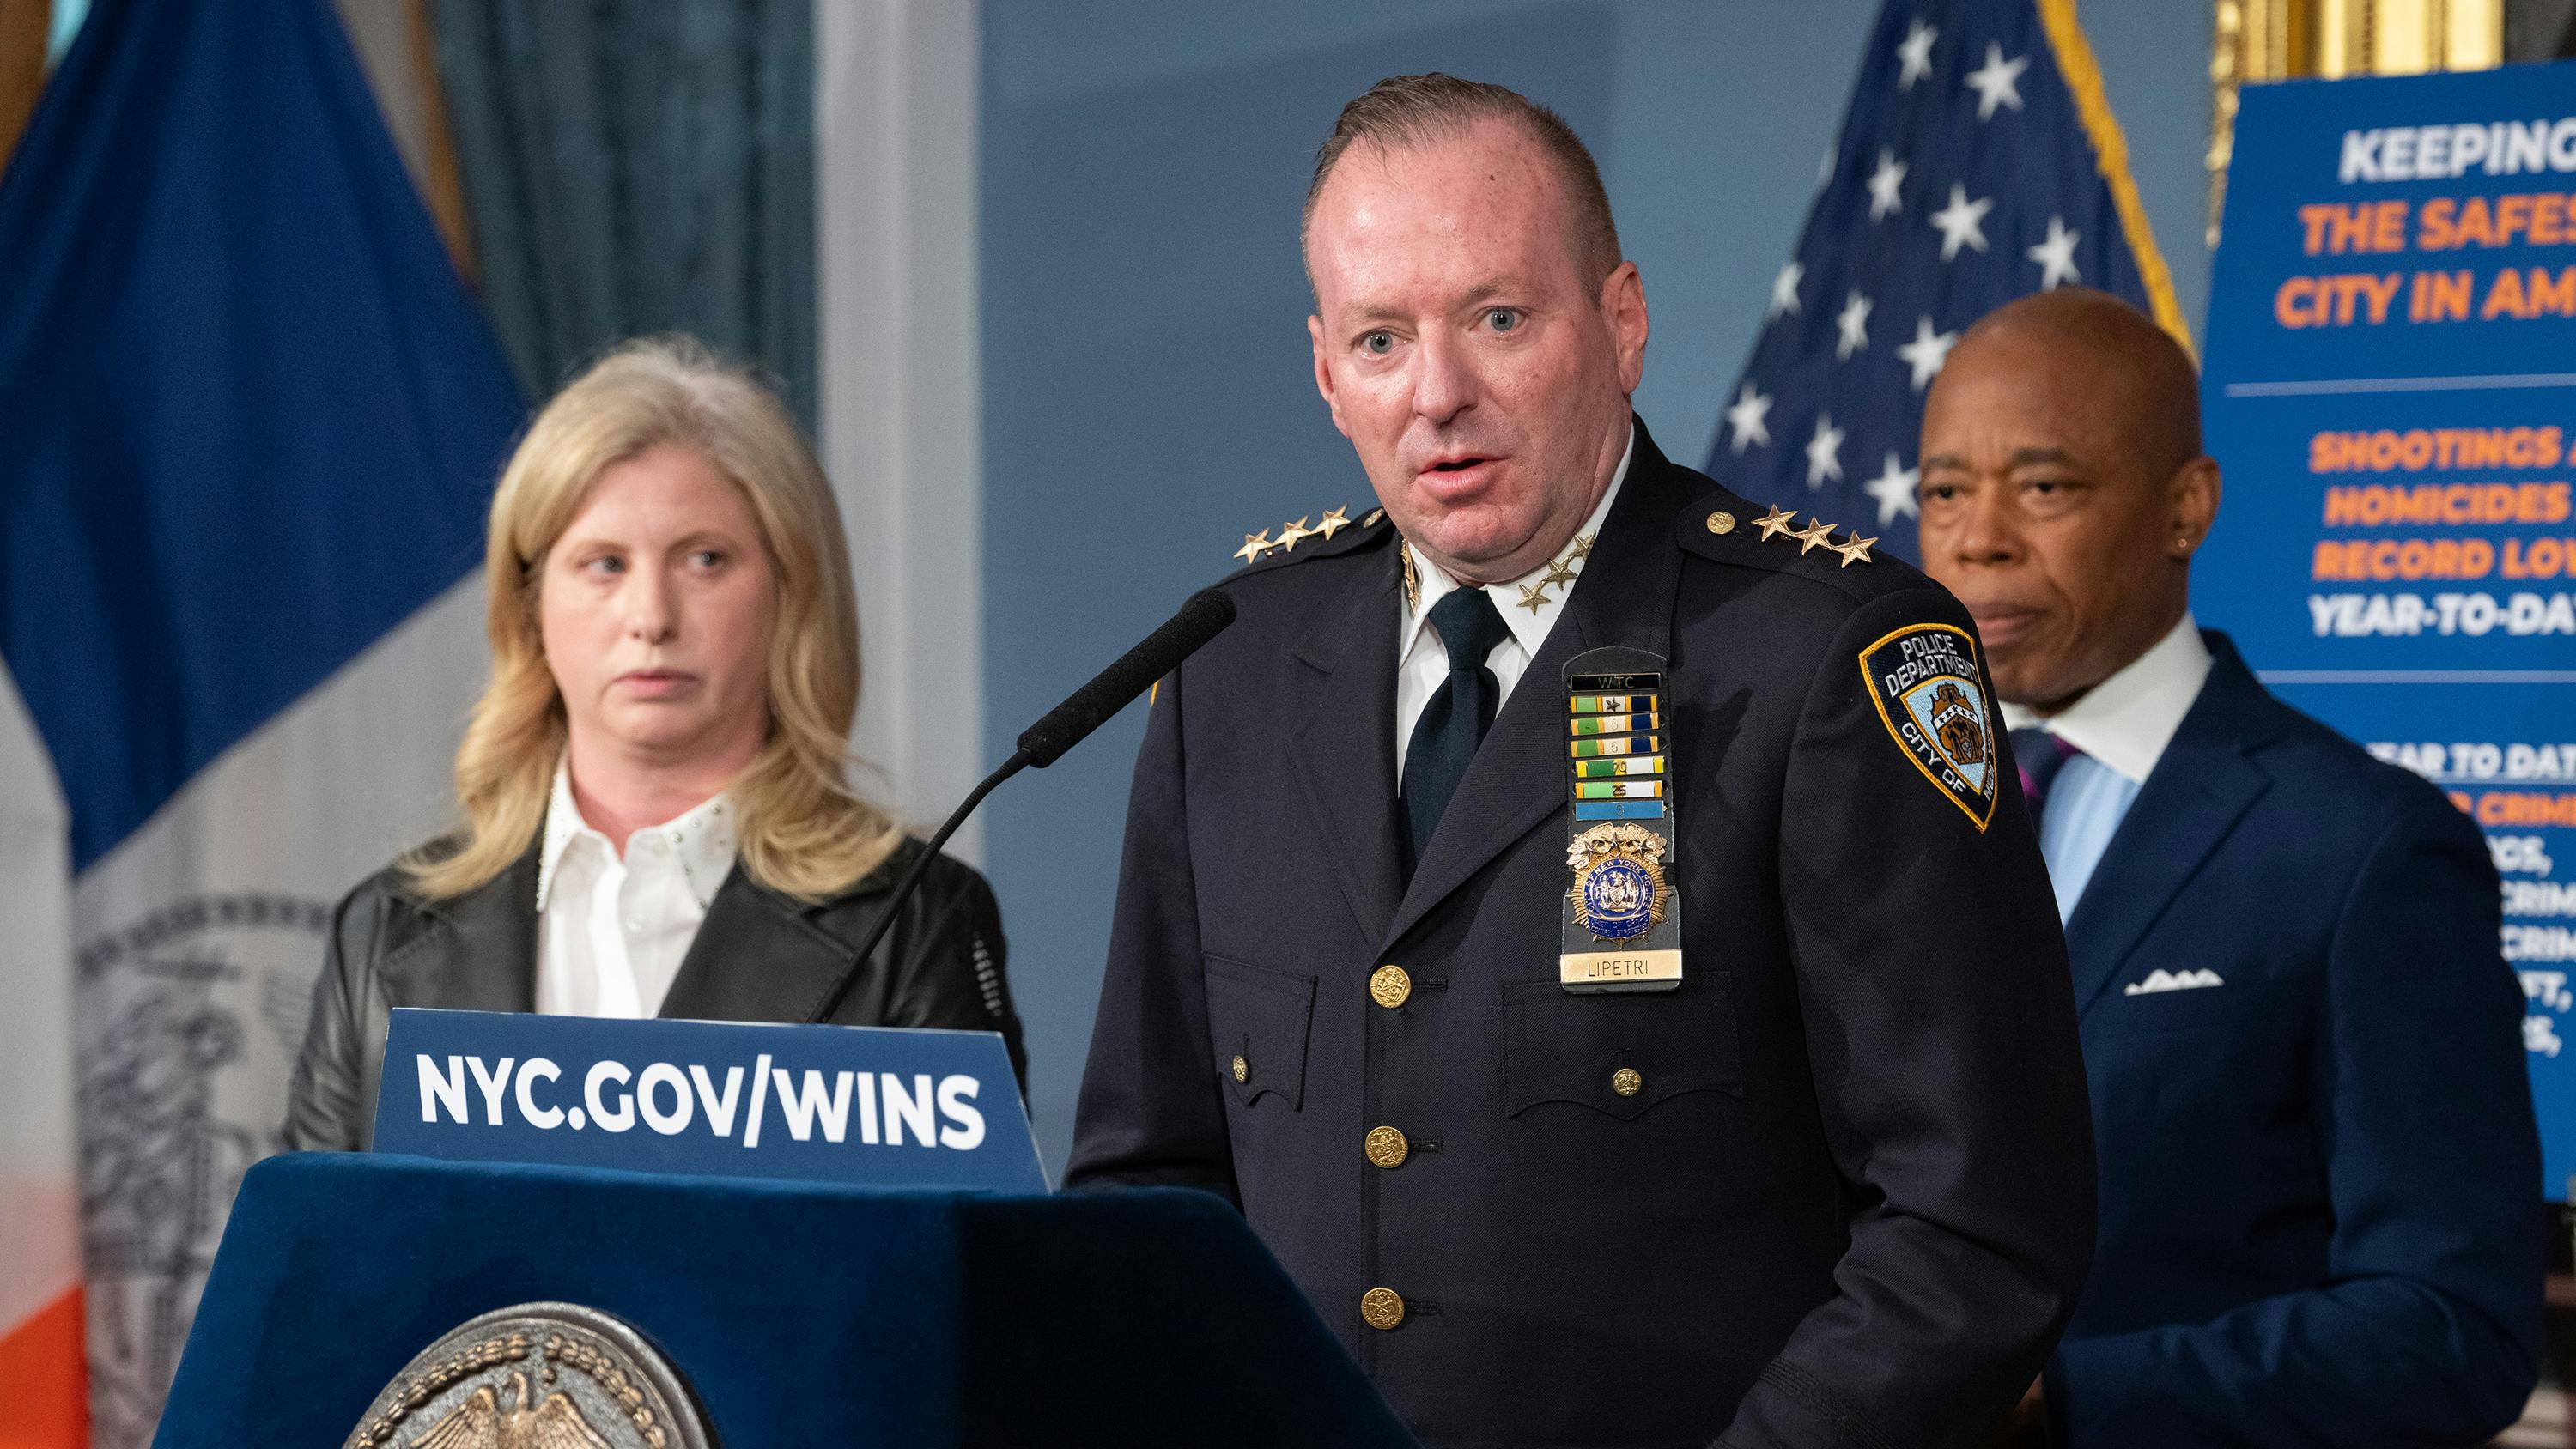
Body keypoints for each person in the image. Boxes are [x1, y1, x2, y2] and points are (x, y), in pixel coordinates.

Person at [1065, 74, 2093, 1447]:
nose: (1438, 395)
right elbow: (1150, 1187)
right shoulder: (1232, 666)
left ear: (1620, 322)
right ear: (1325, 374)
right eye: (1381, 340)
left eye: (1498, 319)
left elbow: (1973, 1224)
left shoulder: (1824, 662)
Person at [1917, 288, 2541, 1447]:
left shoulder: (2363, 849)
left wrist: (2060, 1406)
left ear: (2186, 508)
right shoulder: (1875, 812)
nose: (1978, 536)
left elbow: (2455, 1326)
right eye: (1945, 491)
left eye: (2044, 488)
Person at [286, 336, 1024, 1151]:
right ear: (529, 606)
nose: (651, 617)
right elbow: (309, 1269)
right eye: (603, 564)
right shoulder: (385, 930)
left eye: (705, 560)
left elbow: (972, 1268)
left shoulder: (916, 921)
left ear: (792, 593)